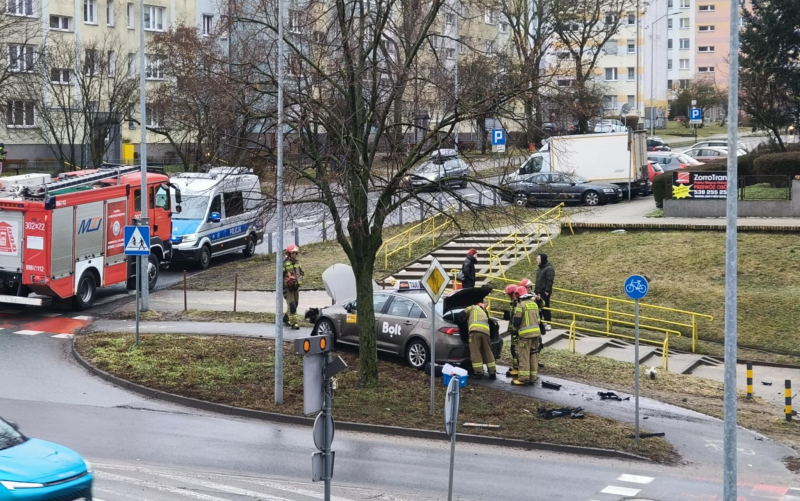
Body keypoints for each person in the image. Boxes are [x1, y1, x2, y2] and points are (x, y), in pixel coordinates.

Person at [511, 286, 542, 386]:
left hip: (525, 335)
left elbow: (516, 322)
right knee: (533, 355)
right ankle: (533, 377)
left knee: (524, 355)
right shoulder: (533, 304)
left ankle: (523, 378)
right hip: (536, 333)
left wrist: (514, 329)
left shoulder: (520, 305)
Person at [463, 301, 495, 380]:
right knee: (488, 351)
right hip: (486, 333)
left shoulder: (472, 307)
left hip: (475, 331)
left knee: (475, 352)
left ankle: (478, 372)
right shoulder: (485, 313)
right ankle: (492, 372)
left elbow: (462, 314)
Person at [283, 244, 304, 330]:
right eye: (292, 253)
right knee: (292, 305)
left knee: (296, 303)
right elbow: (279, 276)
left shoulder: (297, 263)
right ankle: (294, 322)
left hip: (296, 287)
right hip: (288, 289)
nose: (294, 255)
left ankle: (285, 318)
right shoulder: (284, 264)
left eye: (295, 253)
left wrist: (298, 282)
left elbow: (301, 273)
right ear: (288, 254)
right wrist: (287, 282)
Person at [534, 253, 555, 331]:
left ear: (542, 259)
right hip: (538, 291)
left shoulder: (549, 269)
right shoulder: (540, 269)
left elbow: (550, 280)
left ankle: (548, 323)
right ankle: (540, 322)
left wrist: (547, 291)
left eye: (538, 259)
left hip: (544, 292)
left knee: (545, 307)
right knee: (538, 308)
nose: (537, 260)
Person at [504, 284, 520, 377]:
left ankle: (517, 367)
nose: (509, 297)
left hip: (516, 331)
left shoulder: (517, 303)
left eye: (509, 295)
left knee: (515, 349)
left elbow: (516, 318)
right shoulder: (515, 303)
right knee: (513, 349)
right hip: (514, 330)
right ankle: (516, 367)